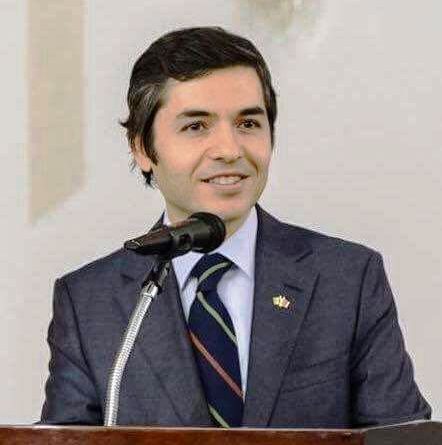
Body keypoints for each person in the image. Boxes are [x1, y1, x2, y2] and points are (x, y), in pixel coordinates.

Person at [40, 26, 431, 427]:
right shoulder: (90, 302)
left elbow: (402, 435)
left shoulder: (347, 279)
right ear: (142, 148)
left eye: (248, 124)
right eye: (196, 126)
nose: (230, 150)